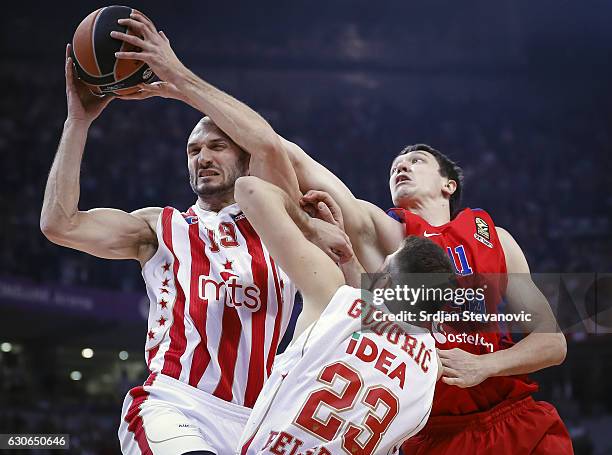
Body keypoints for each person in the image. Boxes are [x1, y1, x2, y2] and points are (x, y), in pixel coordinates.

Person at [40, 13, 350, 455]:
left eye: (216, 146)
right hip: (174, 403)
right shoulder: (160, 227)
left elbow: (266, 143)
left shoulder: (280, 222)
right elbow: (59, 224)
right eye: (193, 150)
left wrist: (176, 75)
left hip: (256, 419)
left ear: (243, 161)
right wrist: (78, 123)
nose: (202, 157)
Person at [283, 142, 572, 454]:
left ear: (448, 185)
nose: (401, 168)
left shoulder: (496, 239)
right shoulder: (383, 233)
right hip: (436, 434)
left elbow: (552, 343)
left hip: (514, 418)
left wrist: (484, 365)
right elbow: (296, 162)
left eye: (416, 161)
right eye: (395, 167)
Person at [233, 175, 455, 455]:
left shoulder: (333, 297)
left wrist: (311, 227)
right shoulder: (432, 368)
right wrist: (348, 259)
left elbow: (249, 188)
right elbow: (384, 314)